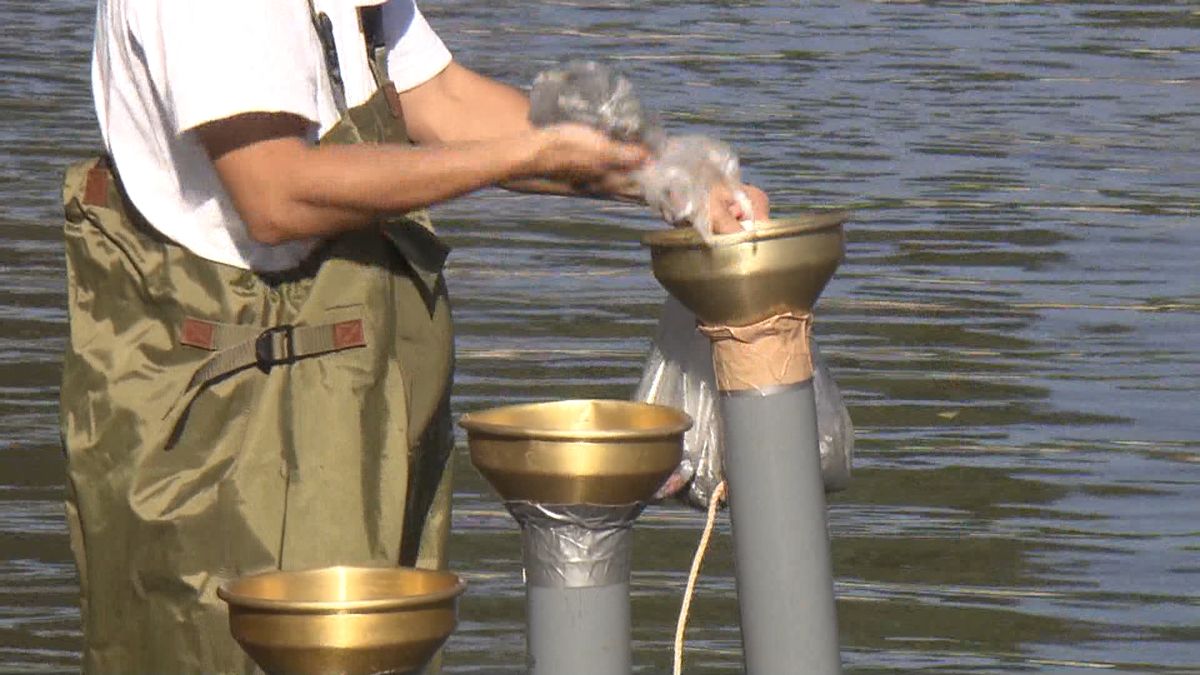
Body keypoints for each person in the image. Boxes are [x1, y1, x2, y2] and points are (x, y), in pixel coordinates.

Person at [61, 0, 768, 671]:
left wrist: (670, 175)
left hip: (349, 416)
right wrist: (530, 156)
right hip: (226, 435)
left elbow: (441, 102)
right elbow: (275, 193)